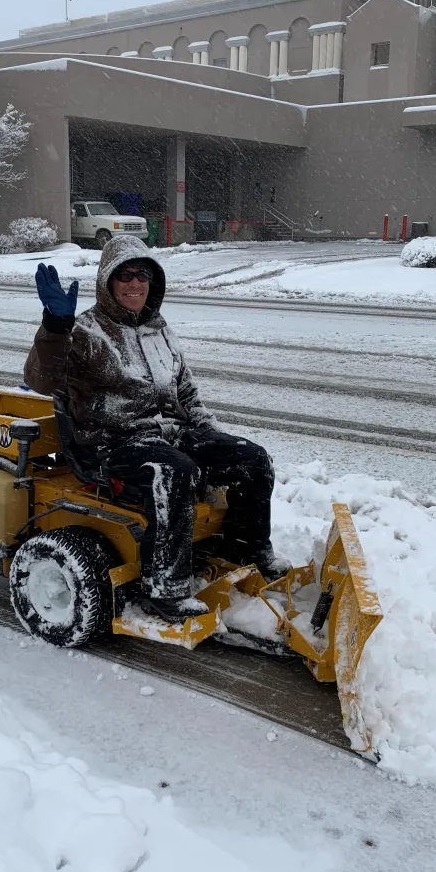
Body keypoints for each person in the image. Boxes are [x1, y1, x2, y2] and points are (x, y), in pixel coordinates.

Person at [23, 235, 289, 623]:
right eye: (125, 275)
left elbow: (187, 393)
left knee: (252, 459)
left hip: (169, 435)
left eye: (142, 275)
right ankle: (164, 588)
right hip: (111, 443)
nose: (135, 284)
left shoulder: (158, 330)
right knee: (175, 472)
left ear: (154, 281)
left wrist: (212, 436)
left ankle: (246, 549)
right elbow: (41, 380)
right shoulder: (86, 332)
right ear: (107, 282)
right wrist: (55, 327)